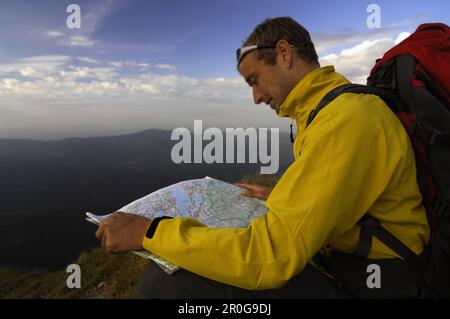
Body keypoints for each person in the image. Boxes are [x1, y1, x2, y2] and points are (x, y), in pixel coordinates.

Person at [95, 17, 430, 298]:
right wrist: (282, 197)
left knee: (170, 286)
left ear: (283, 53)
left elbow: (271, 258)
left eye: (254, 80)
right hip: (360, 266)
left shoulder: (344, 119)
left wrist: (150, 232)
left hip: (382, 285)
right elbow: (344, 197)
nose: (255, 97)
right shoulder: (329, 113)